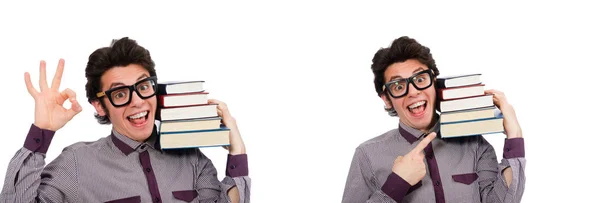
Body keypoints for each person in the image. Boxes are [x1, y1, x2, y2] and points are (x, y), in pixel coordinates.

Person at [0, 37, 250, 203]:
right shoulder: (76, 163)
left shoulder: (192, 159)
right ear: (100, 106)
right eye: (120, 93)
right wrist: (41, 132)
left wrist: (237, 150)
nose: (137, 101)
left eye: (143, 86)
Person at [341, 36, 525, 203]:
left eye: (420, 79)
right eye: (398, 86)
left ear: (434, 83)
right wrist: (396, 184)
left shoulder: (475, 144)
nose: (413, 91)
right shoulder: (367, 156)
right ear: (387, 99)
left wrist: (515, 135)